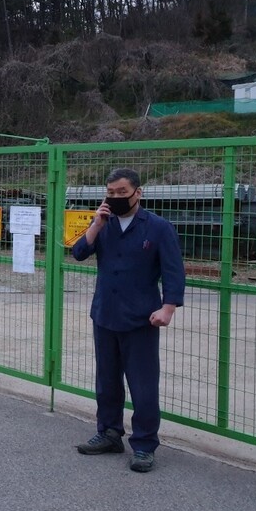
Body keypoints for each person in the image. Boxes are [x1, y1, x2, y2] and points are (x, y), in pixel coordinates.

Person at [71, 167, 185, 473]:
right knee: (106, 381)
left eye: (122, 192)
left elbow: (174, 270)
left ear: (138, 193)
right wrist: (96, 224)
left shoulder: (158, 228)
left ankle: (145, 445)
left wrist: (168, 308)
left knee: (143, 385)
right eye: (111, 193)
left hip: (141, 319)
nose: (116, 198)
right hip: (105, 314)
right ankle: (109, 433)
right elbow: (79, 252)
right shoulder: (104, 224)